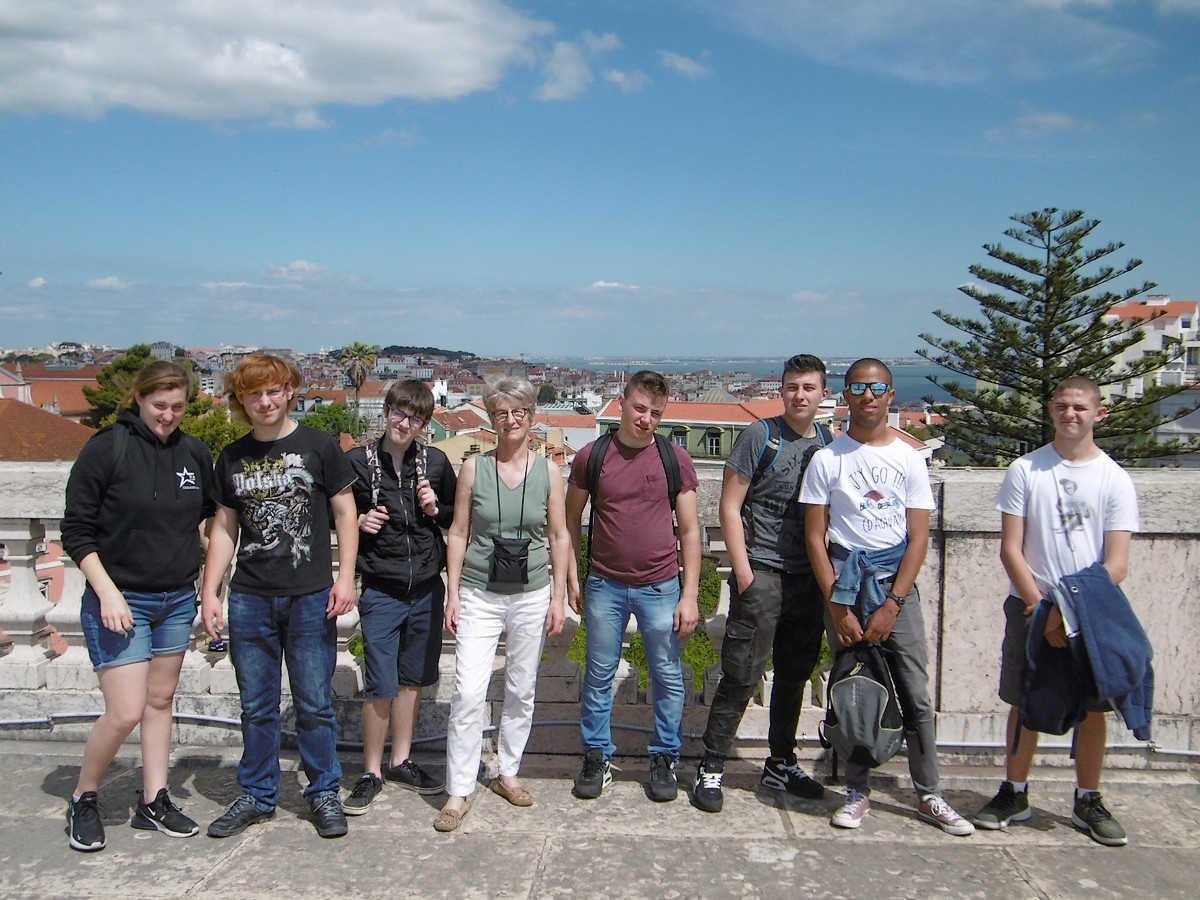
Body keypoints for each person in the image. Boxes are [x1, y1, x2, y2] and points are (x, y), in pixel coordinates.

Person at [801, 358, 973, 835]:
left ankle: (929, 792)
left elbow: (919, 537)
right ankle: (857, 791)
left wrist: (894, 602)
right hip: (846, 587)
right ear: (846, 395)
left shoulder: (908, 458)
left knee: (916, 694)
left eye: (877, 387)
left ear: (890, 395)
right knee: (854, 692)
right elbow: (816, 538)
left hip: (896, 587)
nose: (869, 395)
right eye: (859, 387)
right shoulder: (828, 459)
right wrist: (837, 606)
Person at [972, 376, 1138, 846]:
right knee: (1025, 699)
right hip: (1030, 604)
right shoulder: (1026, 470)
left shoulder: (1114, 479)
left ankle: (1088, 797)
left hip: (1092, 612)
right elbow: (1011, 548)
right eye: (1062, 406)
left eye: (1080, 407)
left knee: (1092, 706)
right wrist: (1040, 608)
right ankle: (1014, 790)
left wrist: (1069, 613)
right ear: (1050, 409)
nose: (1071, 414)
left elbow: (1117, 564)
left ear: (1098, 414)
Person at [200, 354, 359, 840]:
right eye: (254, 394)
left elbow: (345, 513)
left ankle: (323, 791)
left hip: (310, 594)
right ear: (241, 400)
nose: (264, 402)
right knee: (257, 705)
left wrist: (344, 576)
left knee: (314, 702)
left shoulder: (318, 446)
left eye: (273, 391)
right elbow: (224, 528)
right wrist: (211, 590)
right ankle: (257, 794)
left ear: (290, 391)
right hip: (249, 596)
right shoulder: (230, 456)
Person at [61, 360, 216, 852]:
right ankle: (84, 795)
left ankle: (154, 799)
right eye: (159, 406)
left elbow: (211, 522)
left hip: (175, 597)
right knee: (125, 710)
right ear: (138, 399)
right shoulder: (107, 447)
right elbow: (77, 531)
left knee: (160, 702)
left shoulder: (194, 453)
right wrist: (107, 592)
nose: (168, 416)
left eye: (177, 407)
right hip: (120, 598)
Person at [693, 354, 831, 812]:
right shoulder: (761, 436)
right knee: (740, 674)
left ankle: (781, 761)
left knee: (794, 676)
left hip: (807, 577)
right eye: (792, 386)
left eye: (809, 387)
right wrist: (745, 572)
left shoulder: (828, 441)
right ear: (782, 391)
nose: (800, 395)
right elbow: (729, 506)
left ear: (822, 394)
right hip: (764, 572)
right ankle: (712, 765)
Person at [433, 378, 569, 833]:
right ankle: (459, 787)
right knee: (468, 691)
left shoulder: (549, 472)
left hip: (531, 592)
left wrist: (558, 596)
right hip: (478, 590)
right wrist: (452, 592)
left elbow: (559, 535)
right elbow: (458, 532)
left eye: (518, 413)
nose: (511, 421)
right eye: (501, 413)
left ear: (531, 417)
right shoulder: (474, 468)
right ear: (491, 420)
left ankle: (508, 772)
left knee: (521, 688)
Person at [566, 370, 701, 802]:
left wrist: (691, 594)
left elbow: (692, 531)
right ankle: (597, 755)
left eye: (655, 413)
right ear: (621, 403)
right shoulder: (592, 455)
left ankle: (664, 756)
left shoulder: (674, 459)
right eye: (640, 409)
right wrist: (573, 575)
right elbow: (570, 518)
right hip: (605, 583)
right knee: (599, 674)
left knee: (666, 675)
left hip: (661, 585)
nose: (645, 419)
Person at [342, 380, 457, 814]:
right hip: (382, 588)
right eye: (400, 414)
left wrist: (434, 510)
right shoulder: (355, 463)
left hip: (427, 586)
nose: (405, 424)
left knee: (412, 681)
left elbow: (455, 517)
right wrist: (360, 520)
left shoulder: (437, 463)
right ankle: (370, 770)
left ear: (425, 424)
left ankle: (401, 759)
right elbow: (336, 516)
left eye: (416, 419)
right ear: (386, 411)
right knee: (380, 684)